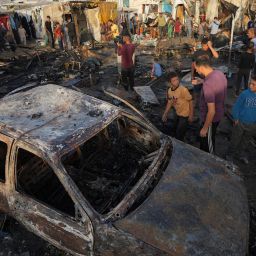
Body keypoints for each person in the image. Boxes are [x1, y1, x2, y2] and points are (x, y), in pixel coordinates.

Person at [192, 55, 227, 154]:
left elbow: (211, 111)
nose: (197, 72)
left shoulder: (208, 85)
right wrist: (202, 81)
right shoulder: (219, 73)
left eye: (197, 69)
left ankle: (211, 161)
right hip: (219, 113)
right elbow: (215, 85)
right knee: (207, 140)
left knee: (209, 144)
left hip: (211, 119)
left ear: (202, 67)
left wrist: (205, 128)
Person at [226, 75, 256, 164]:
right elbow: (236, 107)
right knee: (235, 139)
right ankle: (229, 155)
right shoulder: (244, 94)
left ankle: (240, 154)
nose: (251, 86)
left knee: (246, 140)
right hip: (241, 122)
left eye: (254, 84)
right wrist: (236, 118)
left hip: (252, 124)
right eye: (250, 83)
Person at [162, 72, 194, 141]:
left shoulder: (183, 90)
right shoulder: (169, 91)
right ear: (170, 83)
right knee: (174, 127)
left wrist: (191, 115)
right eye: (174, 80)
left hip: (185, 114)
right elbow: (170, 102)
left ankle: (180, 141)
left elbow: (191, 101)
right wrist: (165, 114)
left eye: (177, 79)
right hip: (177, 112)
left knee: (180, 132)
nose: (176, 82)